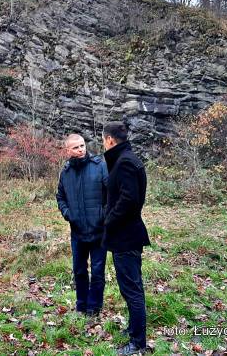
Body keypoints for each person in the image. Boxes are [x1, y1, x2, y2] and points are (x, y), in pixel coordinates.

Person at [101, 121, 150, 355]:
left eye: (103, 140)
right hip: (126, 234)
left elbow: (129, 200)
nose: (103, 144)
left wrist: (109, 219)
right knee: (130, 286)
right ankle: (134, 330)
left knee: (132, 289)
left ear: (110, 140)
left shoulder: (125, 162)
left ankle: (138, 342)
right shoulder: (126, 159)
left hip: (126, 236)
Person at [56, 134, 109, 316]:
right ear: (68, 150)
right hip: (77, 232)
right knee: (79, 270)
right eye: (76, 147)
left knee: (97, 271)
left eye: (82, 145)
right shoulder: (66, 172)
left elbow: (110, 194)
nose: (81, 149)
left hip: (98, 231)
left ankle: (94, 308)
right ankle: (81, 305)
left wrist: (103, 215)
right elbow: (60, 197)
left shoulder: (99, 166)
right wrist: (68, 214)